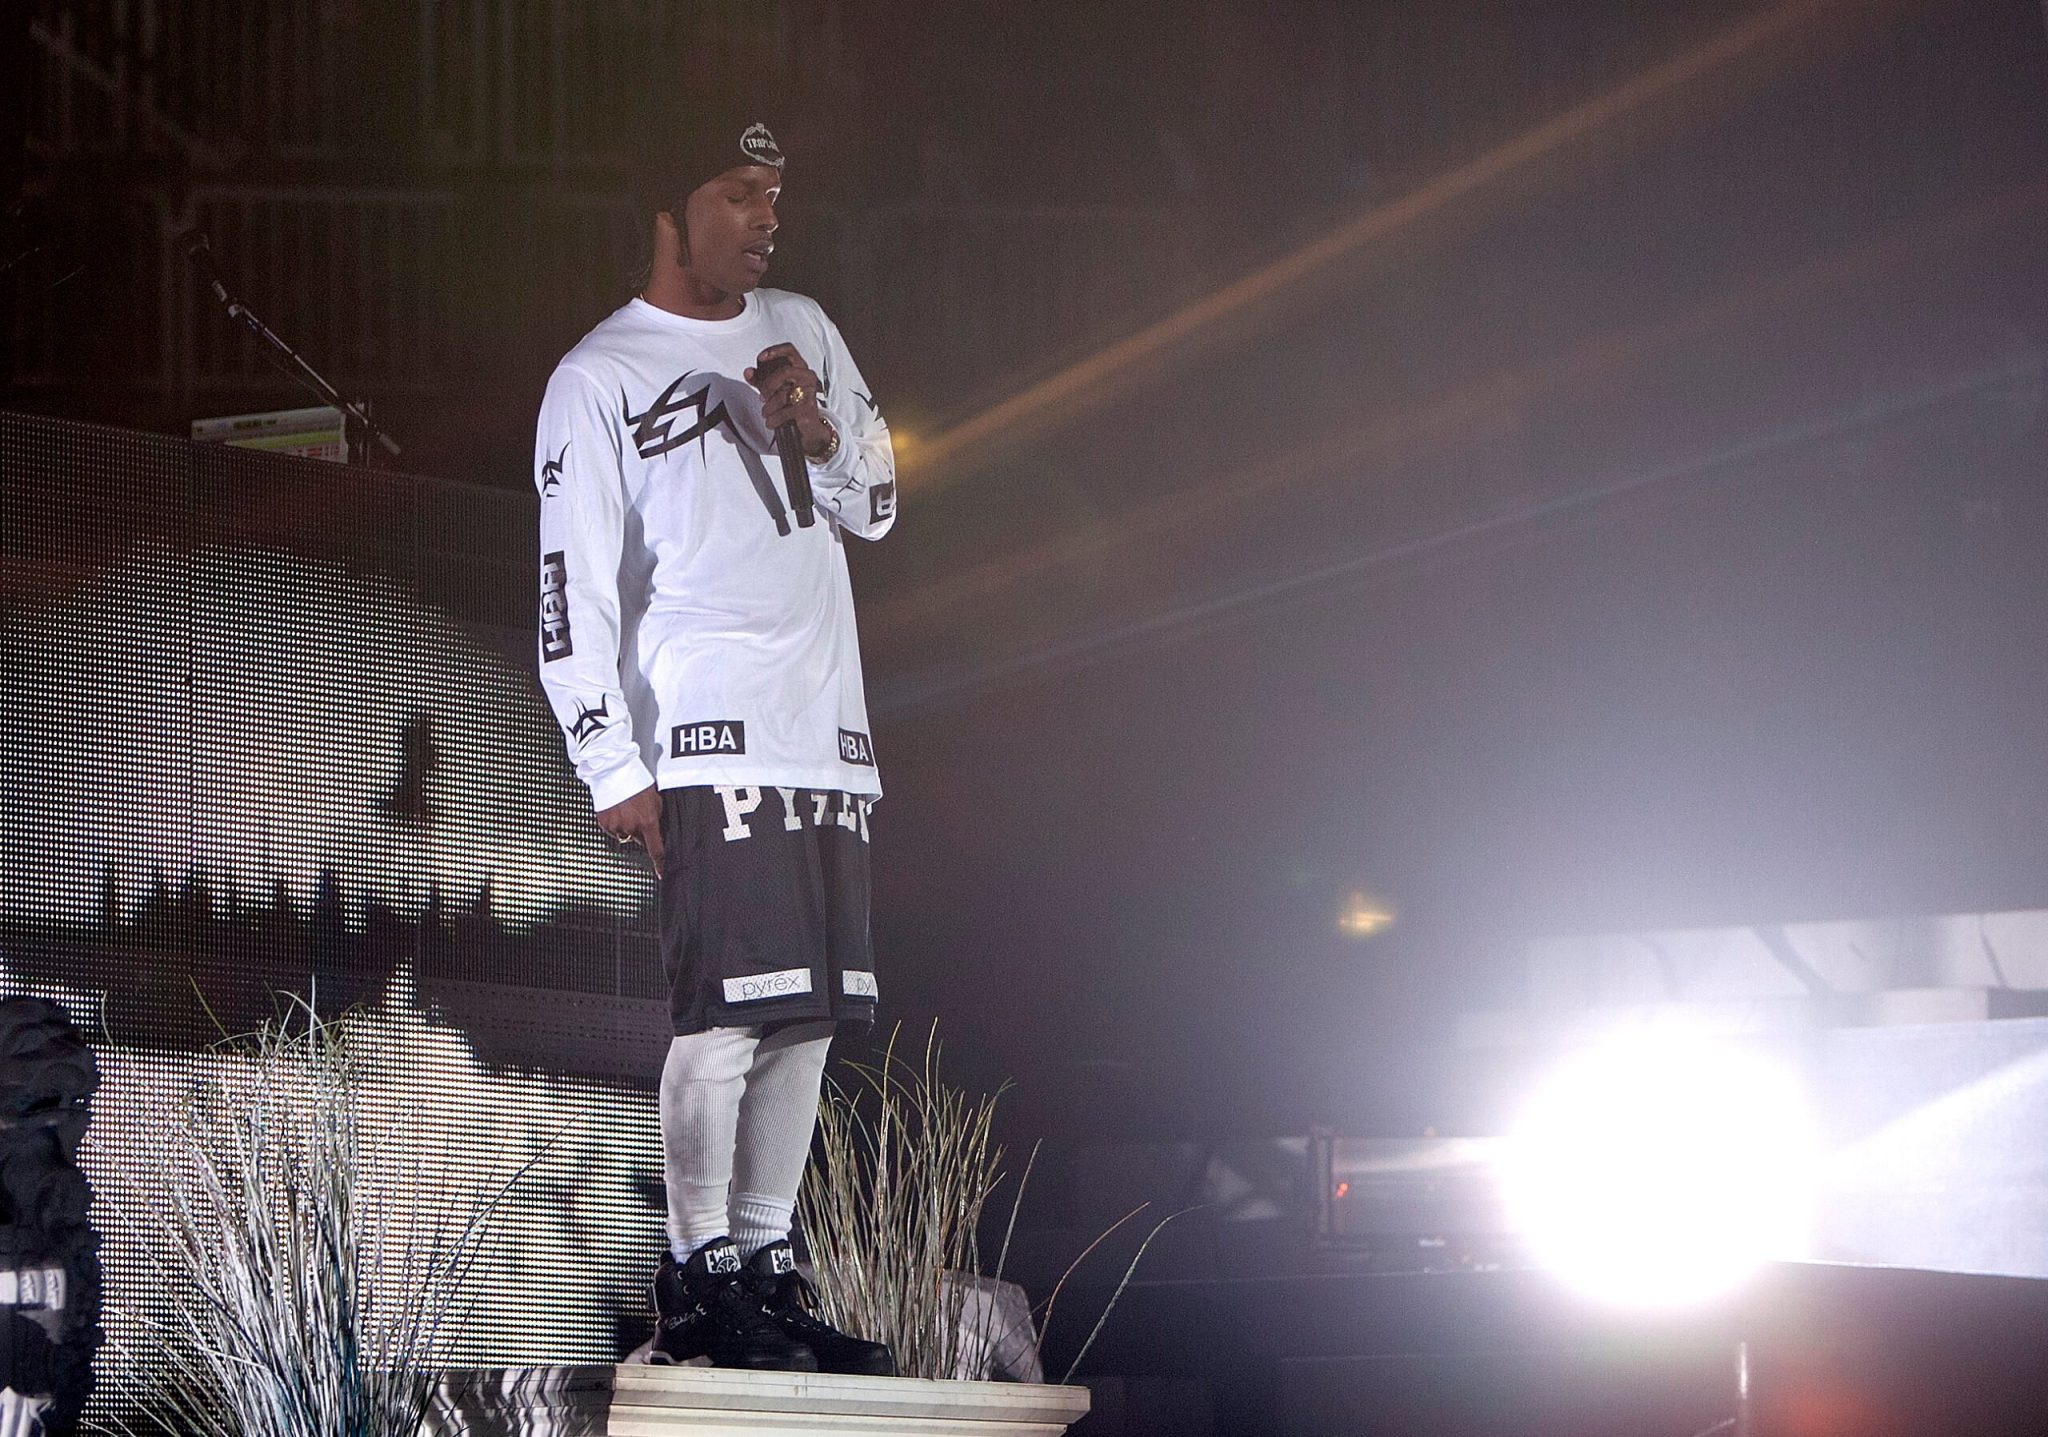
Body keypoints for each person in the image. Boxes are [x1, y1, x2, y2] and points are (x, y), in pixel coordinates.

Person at [533, 109, 897, 1375]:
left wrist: (820, 433)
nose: (765, 218)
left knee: (808, 1018)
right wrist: (610, 763)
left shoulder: (804, 328)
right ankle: (695, 1277)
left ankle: (764, 1265)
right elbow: (568, 588)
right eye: (739, 193)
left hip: (826, 731)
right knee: (727, 1015)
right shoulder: (599, 375)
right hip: (703, 736)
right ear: (670, 211)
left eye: (774, 196)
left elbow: (879, 502)